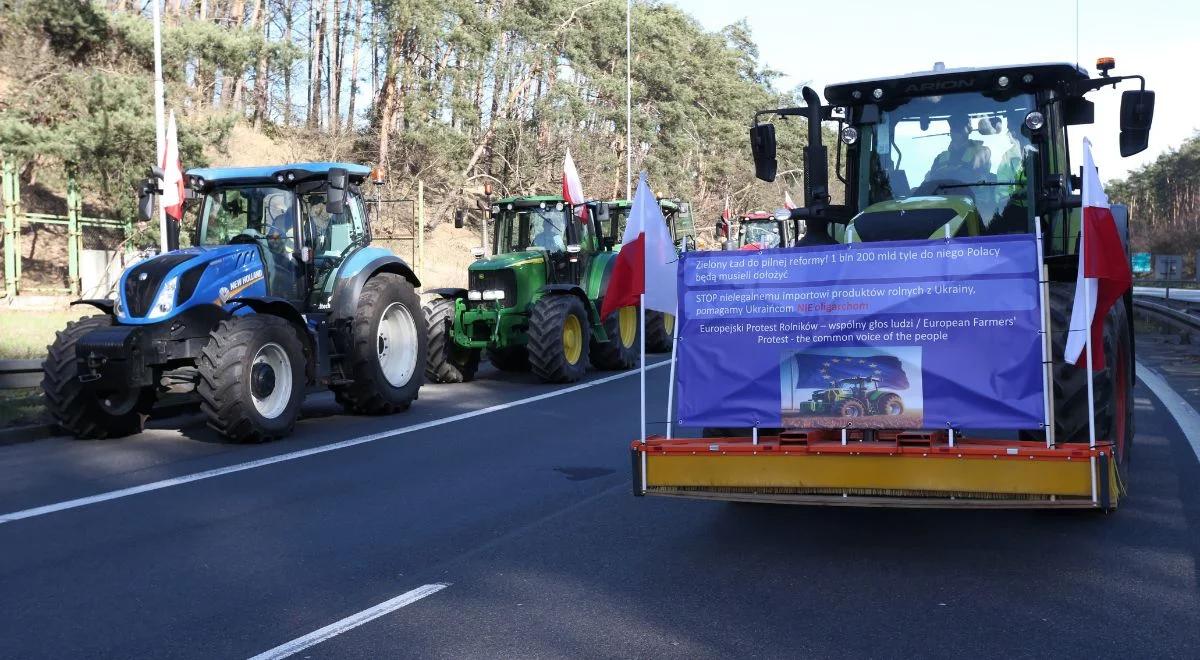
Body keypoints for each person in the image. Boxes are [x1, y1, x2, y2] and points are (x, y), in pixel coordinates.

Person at [924, 115, 992, 186]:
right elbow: (930, 181)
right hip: (944, 195)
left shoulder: (981, 151)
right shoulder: (940, 157)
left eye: (960, 126)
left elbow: (974, 173)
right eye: (953, 127)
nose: (956, 130)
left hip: (974, 195)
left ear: (969, 129)